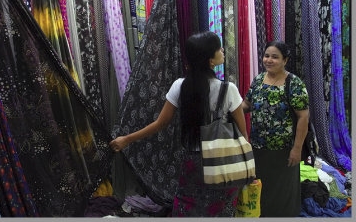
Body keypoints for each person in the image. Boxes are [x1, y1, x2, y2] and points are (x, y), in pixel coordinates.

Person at [110, 31, 248, 217]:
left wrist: (127, 139)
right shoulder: (228, 89)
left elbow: (160, 123)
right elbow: (242, 132)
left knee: (188, 207)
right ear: (210, 61)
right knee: (220, 210)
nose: (222, 50)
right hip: (224, 161)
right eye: (218, 48)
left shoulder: (180, 86)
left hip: (193, 162)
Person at [242, 40, 309, 217]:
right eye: (266, 56)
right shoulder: (258, 80)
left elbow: (303, 117)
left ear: (285, 60)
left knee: (283, 191)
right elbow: (246, 105)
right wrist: (228, 106)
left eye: (275, 57)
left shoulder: (293, 83)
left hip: (284, 150)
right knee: (261, 188)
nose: (269, 60)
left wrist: (297, 148)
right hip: (258, 148)